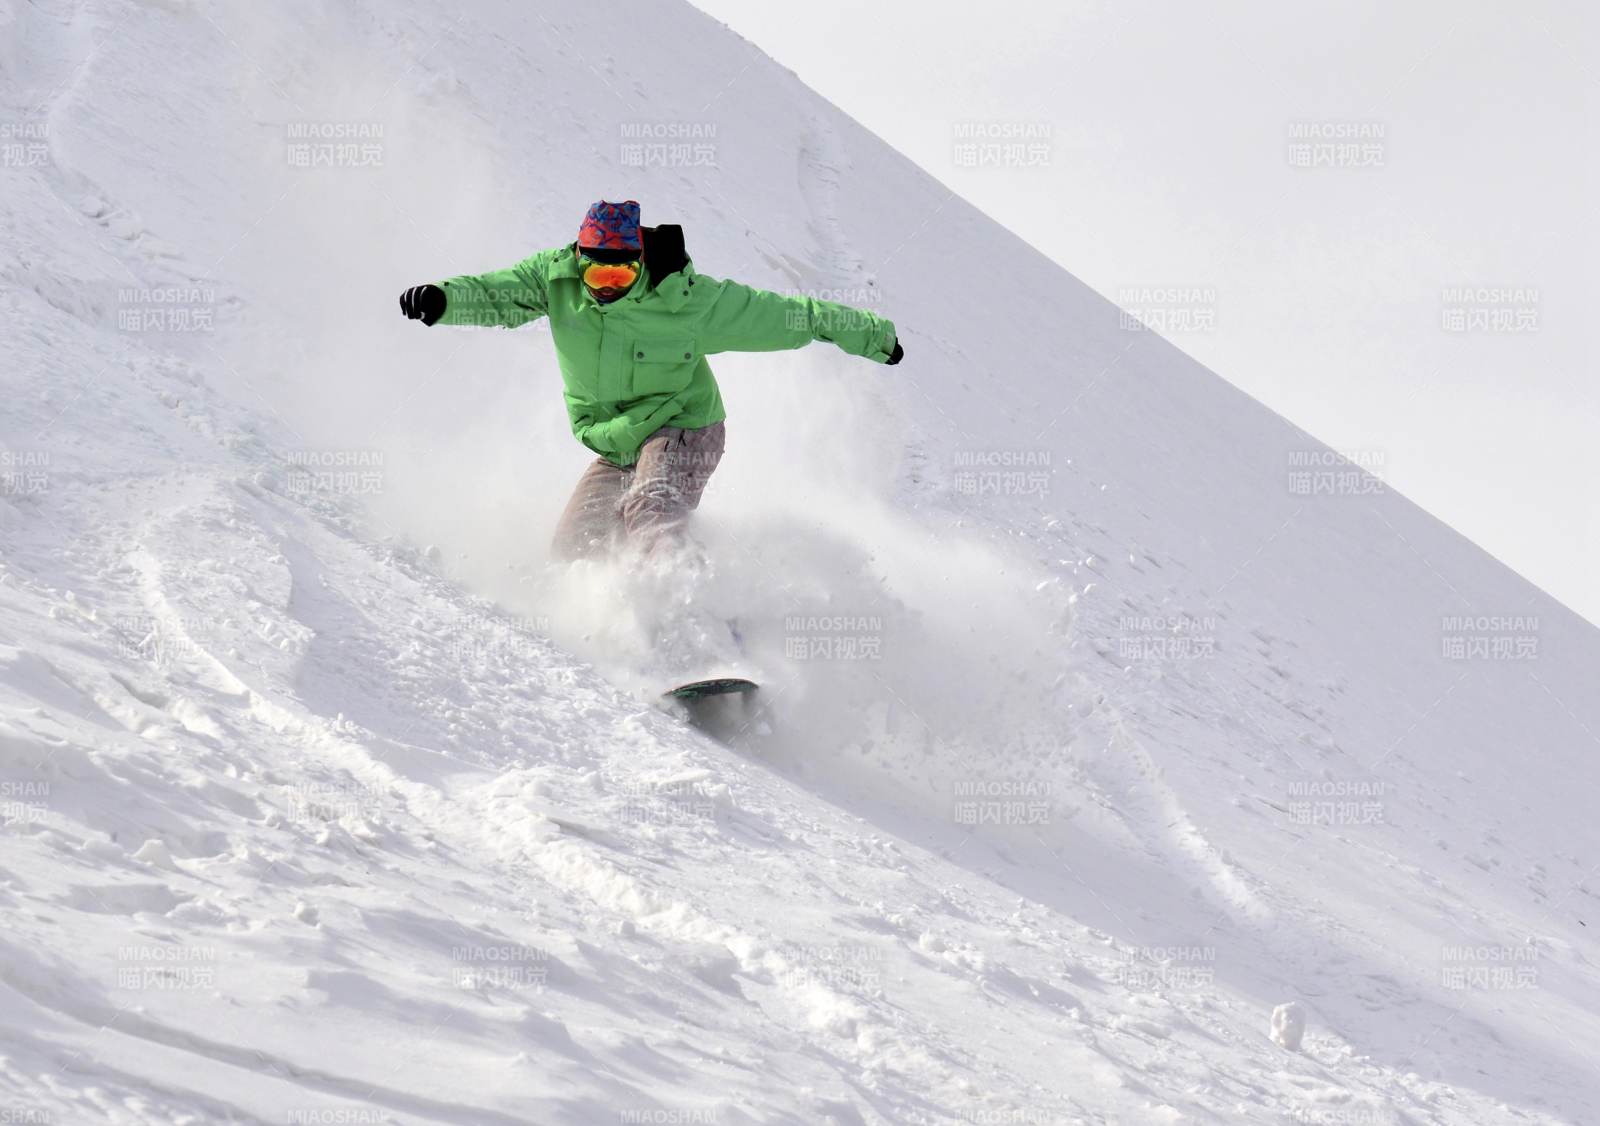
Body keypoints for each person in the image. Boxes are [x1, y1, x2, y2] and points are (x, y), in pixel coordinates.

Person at [399, 199, 902, 562]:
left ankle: (691, 623)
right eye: (599, 278)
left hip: (686, 426)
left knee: (652, 504)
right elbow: (493, 295)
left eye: (621, 277)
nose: (609, 290)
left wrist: (871, 335)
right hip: (618, 441)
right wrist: (443, 300)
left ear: (638, 262)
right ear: (580, 261)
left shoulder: (686, 299)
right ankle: (613, 641)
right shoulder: (553, 280)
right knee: (575, 552)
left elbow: (788, 316)